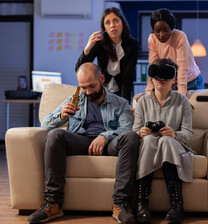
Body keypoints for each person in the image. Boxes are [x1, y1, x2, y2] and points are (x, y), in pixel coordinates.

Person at [28, 63, 140, 224]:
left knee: (131, 137)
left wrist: (105, 135)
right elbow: (44, 125)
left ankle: (120, 204)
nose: (87, 92)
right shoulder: (75, 99)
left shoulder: (120, 103)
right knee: (55, 135)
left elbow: (126, 128)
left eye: (91, 86)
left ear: (101, 79)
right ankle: (53, 203)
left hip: (109, 144)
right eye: (83, 87)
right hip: (80, 140)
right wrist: (61, 116)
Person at [133, 58, 195, 223]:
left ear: (174, 79)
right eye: (157, 75)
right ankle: (141, 203)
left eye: (167, 75)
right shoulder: (142, 102)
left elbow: (188, 135)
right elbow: (134, 132)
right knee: (148, 141)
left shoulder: (183, 102)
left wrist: (174, 134)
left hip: (175, 146)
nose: (161, 79)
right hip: (149, 146)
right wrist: (141, 133)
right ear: (151, 78)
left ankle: (176, 204)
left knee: (166, 141)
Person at [75, 7, 138, 103]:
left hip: (122, 89)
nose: (112, 25)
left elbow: (127, 77)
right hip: (101, 90)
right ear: (104, 27)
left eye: (116, 21)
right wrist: (87, 49)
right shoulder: (99, 43)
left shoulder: (132, 45)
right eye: (108, 22)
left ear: (122, 23)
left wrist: (125, 103)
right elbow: (79, 69)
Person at [145, 8, 204, 97]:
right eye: (157, 31)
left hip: (191, 81)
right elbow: (153, 67)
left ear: (171, 28)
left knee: (191, 109)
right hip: (171, 82)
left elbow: (182, 68)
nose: (161, 34)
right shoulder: (152, 39)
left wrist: (182, 97)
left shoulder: (180, 36)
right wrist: (149, 92)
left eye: (165, 30)